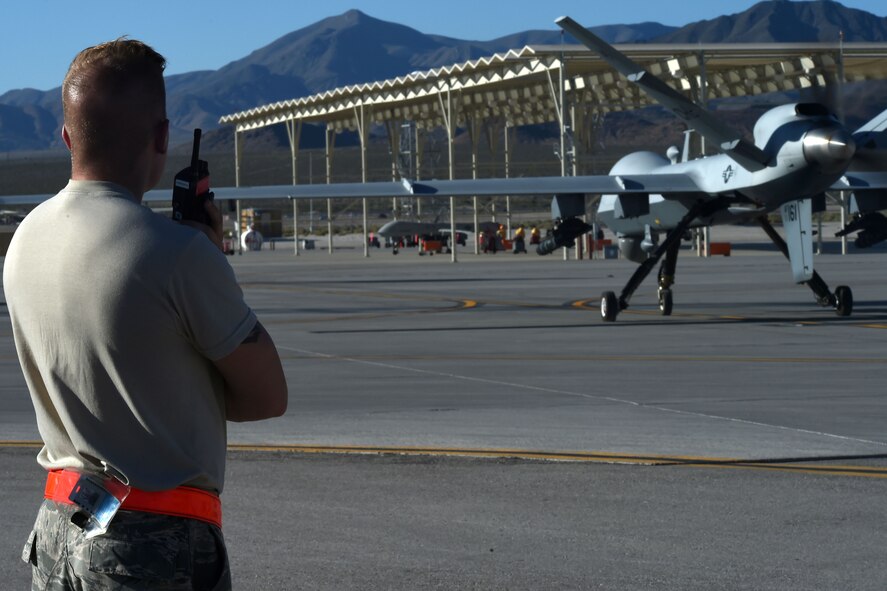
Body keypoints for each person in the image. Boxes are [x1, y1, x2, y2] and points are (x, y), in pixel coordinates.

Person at [3, 39, 288, 590]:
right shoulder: (178, 255)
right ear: (162, 138)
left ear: (66, 137)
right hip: (149, 546)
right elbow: (267, 397)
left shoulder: (24, 239)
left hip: (58, 529)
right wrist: (210, 260)